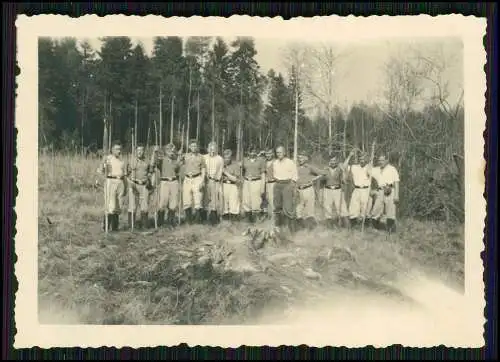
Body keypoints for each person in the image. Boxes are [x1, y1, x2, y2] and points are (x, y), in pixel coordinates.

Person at [97, 141, 126, 232]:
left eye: (120, 149)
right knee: (111, 206)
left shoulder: (122, 161)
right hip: (111, 181)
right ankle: (106, 226)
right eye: (117, 149)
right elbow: (100, 170)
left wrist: (125, 186)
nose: (119, 151)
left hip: (120, 182)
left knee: (118, 206)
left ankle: (115, 227)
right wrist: (103, 163)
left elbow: (124, 175)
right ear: (112, 150)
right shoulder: (108, 159)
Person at [126, 144, 154, 230]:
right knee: (133, 205)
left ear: (144, 151)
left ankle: (144, 225)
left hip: (144, 185)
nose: (140, 152)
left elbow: (151, 172)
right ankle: (131, 226)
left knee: (144, 206)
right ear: (135, 151)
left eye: (141, 150)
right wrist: (130, 183)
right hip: (134, 184)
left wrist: (149, 181)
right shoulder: (131, 161)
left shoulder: (147, 161)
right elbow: (126, 174)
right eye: (138, 150)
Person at [369, 154, 400, 233]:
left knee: (390, 211)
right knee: (376, 209)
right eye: (379, 160)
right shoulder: (376, 169)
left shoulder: (392, 169)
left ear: (387, 160)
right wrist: (370, 160)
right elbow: (368, 172)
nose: (380, 162)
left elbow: (396, 182)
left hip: (390, 190)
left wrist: (396, 195)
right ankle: (375, 228)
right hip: (380, 191)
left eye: (382, 160)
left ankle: (391, 231)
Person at [321, 153, 352, 229]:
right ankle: (329, 226)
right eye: (331, 160)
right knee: (327, 208)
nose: (333, 162)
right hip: (327, 190)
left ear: (336, 161)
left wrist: (350, 156)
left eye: (334, 160)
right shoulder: (325, 169)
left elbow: (345, 167)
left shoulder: (339, 168)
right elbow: (321, 181)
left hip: (338, 190)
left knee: (342, 207)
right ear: (329, 161)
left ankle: (346, 226)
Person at [272, 146, 298, 233]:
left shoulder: (290, 162)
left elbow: (295, 175)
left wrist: (292, 186)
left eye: (280, 152)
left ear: (284, 153)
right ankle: (278, 228)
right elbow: (273, 174)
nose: (278, 154)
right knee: (277, 207)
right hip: (277, 185)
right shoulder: (275, 163)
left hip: (287, 185)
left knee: (288, 208)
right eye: (277, 152)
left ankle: (292, 231)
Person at [155, 143, 182, 229]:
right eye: (169, 150)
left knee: (173, 203)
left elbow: (178, 170)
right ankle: (160, 222)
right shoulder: (162, 160)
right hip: (164, 182)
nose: (171, 152)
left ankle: (171, 221)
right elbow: (155, 162)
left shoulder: (175, 160)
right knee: (163, 201)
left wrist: (179, 159)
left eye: (173, 151)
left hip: (174, 181)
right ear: (166, 151)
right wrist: (155, 152)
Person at [295, 154, 324, 230]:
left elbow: (322, 173)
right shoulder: (296, 167)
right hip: (299, 190)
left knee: (309, 210)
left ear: (306, 158)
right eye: (299, 158)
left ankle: (311, 229)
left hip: (308, 189)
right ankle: (300, 227)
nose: (300, 159)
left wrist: (313, 179)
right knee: (298, 210)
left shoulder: (309, 167)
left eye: (301, 158)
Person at [181, 139, 206, 224]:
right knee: (187, 200)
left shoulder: (201, 157)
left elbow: (203, 169)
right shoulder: (185, 156)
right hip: (187, 179)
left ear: (197, 147)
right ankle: (189, 220)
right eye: (192, 146)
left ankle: (197, 220)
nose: (194, 148)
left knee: (198, 199)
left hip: (197, 178)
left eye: (195, 146)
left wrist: (202, 180)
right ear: (189, 147)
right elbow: (179, 164)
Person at [347, 151, 374, 229]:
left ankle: (366, 226)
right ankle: (353, 226)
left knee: (366, 208)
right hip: (357, 189)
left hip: (366, 190)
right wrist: (349, 156)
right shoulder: (355, 167)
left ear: (366, 159)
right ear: (358, 159)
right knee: (353, 207)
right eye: (360, 159)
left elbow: (375, 178)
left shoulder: (370, 167)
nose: (362, 160)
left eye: (363, 159)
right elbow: (344, 167)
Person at [241, 147, 266, 223]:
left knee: (256, 200)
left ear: (256, 152)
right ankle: (248, 219)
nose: (252, 153)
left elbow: (263, 173)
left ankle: (255, 219)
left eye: (254, 151)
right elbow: (242, 171)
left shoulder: (260, 160)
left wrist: (262, 186)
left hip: (256, 181)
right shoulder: (245, 160)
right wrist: (243, 180)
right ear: (248, 152)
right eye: (250, 151)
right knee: (246, 200)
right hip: (247, 181)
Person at [203, 141, 224, 225]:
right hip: (206, 180)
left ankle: (214, 219)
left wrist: (217, 178)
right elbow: (202, 168)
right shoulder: (204, 157)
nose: (212, 150)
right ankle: (203, 217)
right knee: (205, 199)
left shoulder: (220, 158)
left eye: (214, 149)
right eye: (211, 149)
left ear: (216, 149)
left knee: (214, 199)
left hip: (215, 181)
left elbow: (221, 170)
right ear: (208, 149)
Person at [221, 149, 242, 223]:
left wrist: (225, 173)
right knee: (224, 203)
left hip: (232, 185)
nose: (227, 159)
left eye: (228, 157)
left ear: (231, 157)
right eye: (225, 157)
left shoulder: (235, 165)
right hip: (223, 184)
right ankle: (225, 220)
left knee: (234, 202)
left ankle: (234, 220)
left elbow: (236, 179)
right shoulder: (221, 164)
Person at [264, 149, 276, 221]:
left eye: (269, 153)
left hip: (273, 182)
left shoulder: (275, 162)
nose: (268, 155)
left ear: (272, 154)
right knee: (265, 199)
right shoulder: (264, 162)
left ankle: (274, 217)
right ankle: (267, 215)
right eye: (266, 153)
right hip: (265, 183)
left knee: (272, 199)